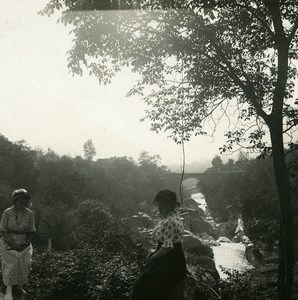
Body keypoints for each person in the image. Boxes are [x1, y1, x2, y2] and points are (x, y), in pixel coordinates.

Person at [131, 190, 186, 300]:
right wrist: (154, 253)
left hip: (170, 260)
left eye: (159, 205)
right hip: (172, 258)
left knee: (140, 285)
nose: (158, 208)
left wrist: (152, 258)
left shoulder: (170, 220)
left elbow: (167, 247)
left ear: (165, 206)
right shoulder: (173, 216)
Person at [0, 189, 36, 300]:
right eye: (19, 201)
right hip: (8, 242)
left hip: (24, 243)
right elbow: (2, 230)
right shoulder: (7, 212)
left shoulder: (29, 213)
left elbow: (32, 230)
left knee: (25, 263)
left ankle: (20, 288)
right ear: (15, 201)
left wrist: (26, 242)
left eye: (24, 201)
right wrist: (12, 243)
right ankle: (9, 289)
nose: (22, 203)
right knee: (12, 263)